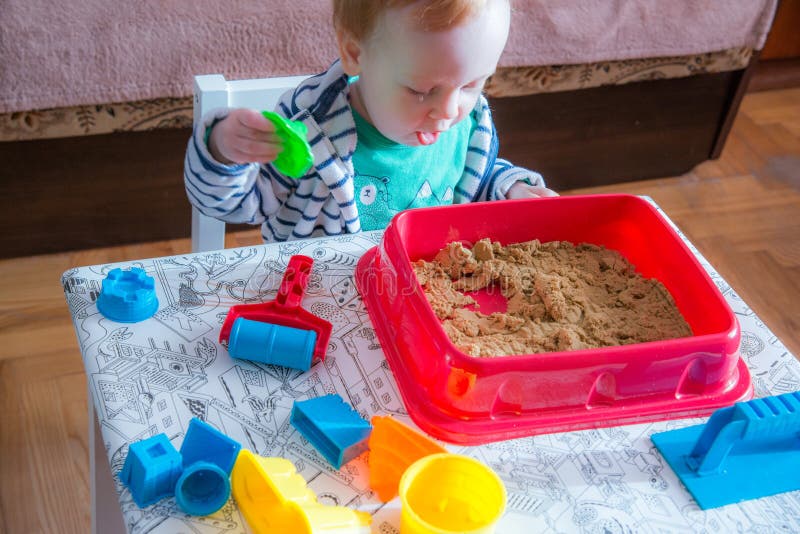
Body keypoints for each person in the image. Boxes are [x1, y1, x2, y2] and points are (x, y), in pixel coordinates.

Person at [184, 0, 556, 242]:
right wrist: (222, 151)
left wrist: (510, 190)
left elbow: (477, 180)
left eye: (473, 84)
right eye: (421, 91)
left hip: (424, 301)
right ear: (354, 54)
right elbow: (236, 205)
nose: (448, 111)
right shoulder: (311, 131)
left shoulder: (465, 129)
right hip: (325, 301)